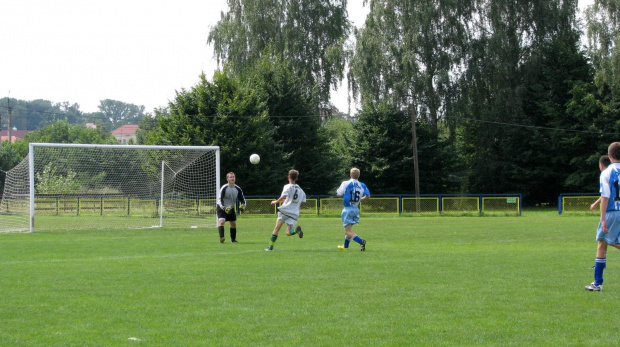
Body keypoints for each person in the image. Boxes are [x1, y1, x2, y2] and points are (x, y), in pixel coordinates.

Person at [586, 143, 620, 291]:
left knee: (602, 242)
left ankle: (597, 283)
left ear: (610, 155)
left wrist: (603, 218)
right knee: (607, 242)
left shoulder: (607, 172)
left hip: (612, 211)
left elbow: (605, 196)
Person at [265, 170, 306, 251]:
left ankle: (270, 247)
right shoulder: (301, 190)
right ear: (296, 178)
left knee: (276, 229)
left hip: (285, 211)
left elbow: (284, 195)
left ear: (288, 177)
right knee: (288, 232)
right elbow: (302, 202)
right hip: (294, 213)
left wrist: (276, 201)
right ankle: (296, 230)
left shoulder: (287, 186)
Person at [336, 168, 370, 251]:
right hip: (356, 209)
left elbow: (339, 194)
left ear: (350, 175)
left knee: (347, 231)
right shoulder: (362, 185)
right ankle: (345, 246)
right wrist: (359, 199)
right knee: (349, 230)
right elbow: (368, 196)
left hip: (348, 209)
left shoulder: (346, 183)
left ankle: (361, 241)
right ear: (359, 175)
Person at [216, 172, 246, 243]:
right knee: (222, 221)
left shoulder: (237, 188)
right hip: (221, 206)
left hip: (231, 207)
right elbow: (220, 199)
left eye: (233, 177)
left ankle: (233, 240)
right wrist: (224, 207)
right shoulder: (224, 188)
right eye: (231, 177)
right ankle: (221, 238)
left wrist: (244, 205)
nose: (232, 178)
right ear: (227, 179)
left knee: (233, 223)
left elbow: (242, 199)